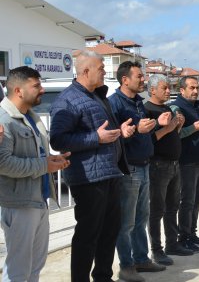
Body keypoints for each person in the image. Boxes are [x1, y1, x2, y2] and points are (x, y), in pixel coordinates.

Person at [50, 50, 135, 282]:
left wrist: (121, 132)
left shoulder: (97, 96)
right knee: (88, 235)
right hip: (88, 179)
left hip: (109, 174)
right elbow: (58, 140)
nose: (105, 72)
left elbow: (105, 133)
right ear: (85, 71)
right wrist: (95, 138)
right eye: (101, 68)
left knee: (109, 233)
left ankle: (103, 277)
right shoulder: (67, 101)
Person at [0, 66, 70, 282]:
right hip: (19, 204)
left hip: (39, 200)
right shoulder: (5, 120)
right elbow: (3, 163)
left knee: (34, 266)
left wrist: (52, 160)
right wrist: (43, 165)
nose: (41, 89)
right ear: (19, 90)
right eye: (36, 85)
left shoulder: (30, 116)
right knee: (18, 270)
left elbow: (34, 155)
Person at [108, 62, 167, 281]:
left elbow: (144, 133)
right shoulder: (114, 104)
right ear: (125, 79)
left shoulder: (138, 103)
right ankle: (126, 266)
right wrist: (131, 133)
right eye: (140, 76)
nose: (143, 80)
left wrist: (156, 125)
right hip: (128, 169)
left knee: (141, 217)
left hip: (144, 165)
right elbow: (113, 137)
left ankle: (142, 259)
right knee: (127, 222)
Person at [143, 74, 192, 265]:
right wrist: (168, 128)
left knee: (173, 207)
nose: (167, 91)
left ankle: (173, 243)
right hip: (158, 165)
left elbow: (173, 135)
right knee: (156, 210)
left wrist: (177, 126)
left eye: (168, 87)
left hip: (174, 164)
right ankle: (157, 250)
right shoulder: (147, 110)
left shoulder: (166, 109)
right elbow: (150, 140)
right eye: (164, 88)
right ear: (152, 90)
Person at [172, 76, 199, 253]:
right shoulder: (177, 108)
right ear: (182, 90)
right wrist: (193, 128)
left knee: (196, 201)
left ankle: (192, 233)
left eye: (197, 87)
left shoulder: (195, 106)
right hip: (187, 163)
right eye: (191, 88)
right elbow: (175, 134)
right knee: (187, 202)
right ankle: (184, 237)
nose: (196, 91)